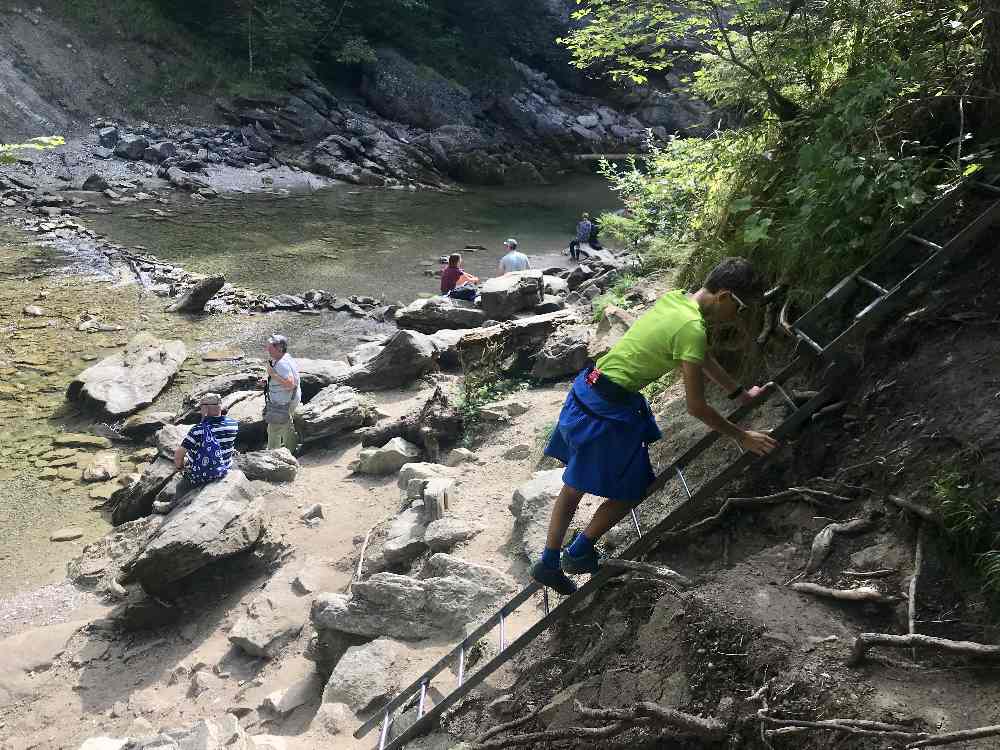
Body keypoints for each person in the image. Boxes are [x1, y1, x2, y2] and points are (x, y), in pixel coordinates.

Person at [529, 257, 779, 595]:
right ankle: (579, 551)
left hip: (586, 390)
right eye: (740, 307)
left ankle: (549, 561)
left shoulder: (676, 300)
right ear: (723, 297)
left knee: (573, 486)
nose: (738, 315)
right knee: (633, 491)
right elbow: (696, 406)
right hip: (607, 414)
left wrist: (738, 392)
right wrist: (742, 436)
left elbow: (700, 355)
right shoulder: (692, 328)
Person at [166, 392, 240, 509]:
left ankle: (171, 507)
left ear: (205, 408)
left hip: (201, 474)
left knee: (180, 486)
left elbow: (179, 455)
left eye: (201, 407)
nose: (199, 410)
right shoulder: (233, 424)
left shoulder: (197, 430)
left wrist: (179, 467)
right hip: (225, 467)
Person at [261, 334, 301, 453]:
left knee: (273, 430)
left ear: (279, 348)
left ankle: (273, 456)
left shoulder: (282, 364)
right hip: (289, 401)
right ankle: (292, 449)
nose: (267, 349)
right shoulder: (286, 358)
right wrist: (269, 381)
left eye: (270, 347)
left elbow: (290, 384)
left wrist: (273, 375)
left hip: (282, 404)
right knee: (286, 426)